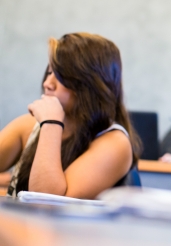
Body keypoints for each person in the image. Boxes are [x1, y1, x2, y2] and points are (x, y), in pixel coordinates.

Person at [0, 32, 142, 199]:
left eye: (60, 76)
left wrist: (51, 124)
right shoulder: (27, 126)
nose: (47, 84)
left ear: (89, 82)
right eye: (49, 73)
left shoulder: (115, 143)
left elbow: (46, 203)